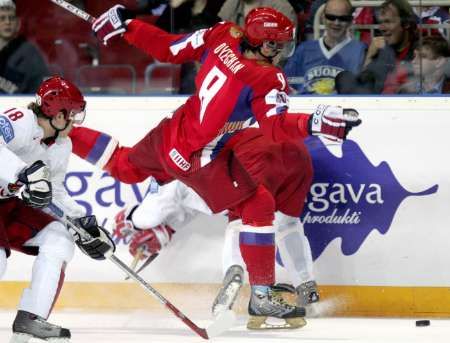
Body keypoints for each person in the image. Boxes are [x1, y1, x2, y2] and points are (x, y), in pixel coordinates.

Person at [88, 5, 360, 328]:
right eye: (279, 45)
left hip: (170, 135)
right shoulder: (267, 78)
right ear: (265, 44)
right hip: (199, 157)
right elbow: (274, 129)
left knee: (124, 165)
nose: (282, 52)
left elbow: (168, 48)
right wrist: (313, 123)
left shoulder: (222, 34)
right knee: (258, 203)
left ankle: (58, 129)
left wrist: (128, 25)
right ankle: (261, 296)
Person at [0, 76, 115, 342]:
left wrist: (81, 224)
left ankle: (31, 318)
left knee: (59, 239)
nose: (75, 120)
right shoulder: (19, 121)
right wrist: (23, 173)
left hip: (8, 204)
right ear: (57, 113)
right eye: (72, 114)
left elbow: (55, 192)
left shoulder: (62, 145)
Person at [284, 0, 366, 94]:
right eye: (331, 17)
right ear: (323, 18)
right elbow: (287, 83)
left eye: (343, 18)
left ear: (351, 20)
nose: (336, 23)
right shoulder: (304, 50)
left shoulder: (361, 51)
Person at [336, 0, 417, 94]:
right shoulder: (378, 51)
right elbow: (363, 84)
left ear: (406, 23)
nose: (382, 28)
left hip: (407, 104)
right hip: (377, 105)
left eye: (388, 22)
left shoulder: (420, 51)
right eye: (381, 22)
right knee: (344, 77)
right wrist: (369, 57)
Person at [0, 0, 49, 94]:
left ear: (18, 24)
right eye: (2, 18)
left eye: (11, 18)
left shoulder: (30, 53)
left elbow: (41, 88)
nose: (7, 22)